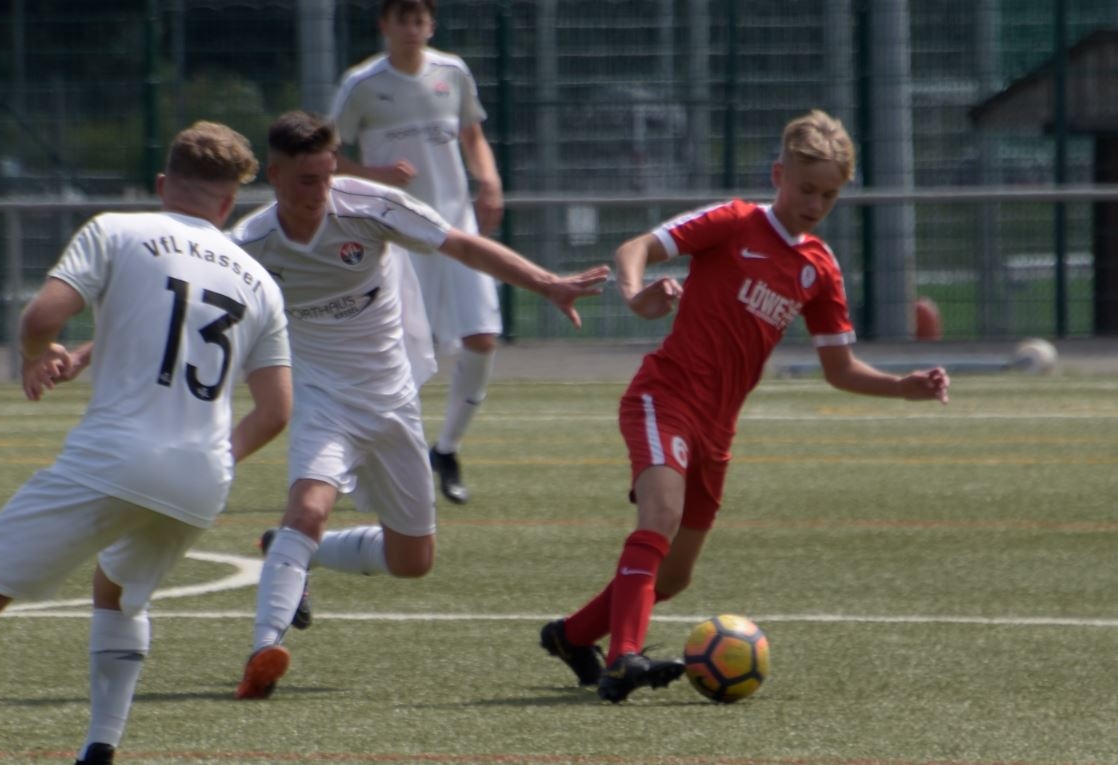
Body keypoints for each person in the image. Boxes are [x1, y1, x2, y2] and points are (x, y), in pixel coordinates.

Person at [539, 109, 951, 703]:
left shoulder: (818, 267)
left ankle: (571, 636)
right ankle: (624, 658)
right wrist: (635, 296)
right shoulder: (734, 221)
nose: (814, 204)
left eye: (828, 195)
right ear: (778, 175)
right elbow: (637, 247)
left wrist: (902, 386)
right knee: (660, 516)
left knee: (675, 575)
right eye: (806, 188)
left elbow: (840, 369)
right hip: (665, 396)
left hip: (718, 429)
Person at [230, 110, 607, 700]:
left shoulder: (370, 206)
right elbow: (193, 298)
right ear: (274, 176)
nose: (321, 191)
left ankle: (292, 552)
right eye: (306, 180)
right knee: (307, 509)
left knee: (412, 560)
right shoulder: (249, 244)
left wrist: (548, 283)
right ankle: (263, 650)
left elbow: (462, 245)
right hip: (322, 401)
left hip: (392, 400)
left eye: (327, 176)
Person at [0, 122, 292, 764]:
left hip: (115, 456)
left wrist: (37, 353)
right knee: (117, 592)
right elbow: (276, 410)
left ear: (162, 183)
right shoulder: (261, 282)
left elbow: (42, 317)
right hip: (201, 479)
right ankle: (100, 748)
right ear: (230, 201)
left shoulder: (117, 229)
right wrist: (213, 458)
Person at [330, 0, 504, 505]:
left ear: (431, 26)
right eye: (402, 19)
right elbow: (328, 153)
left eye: (419, 19)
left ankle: (446, 450)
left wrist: (490, 181)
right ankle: (368, 459)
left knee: (482, 338)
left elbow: (472, 135)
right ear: (384, 25)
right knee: (398, 357)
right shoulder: (361, 83)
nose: (411, 28)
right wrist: (376, 175)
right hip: (398, 234)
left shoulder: (453, 73)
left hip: (456, 228)